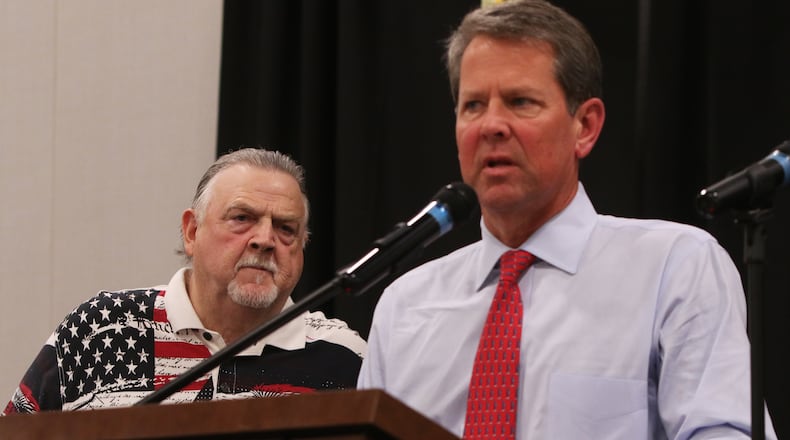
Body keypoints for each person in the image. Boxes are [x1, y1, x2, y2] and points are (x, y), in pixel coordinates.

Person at [357, 1, 776, 439]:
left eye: (520, 102)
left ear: (586, 127)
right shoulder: (404, 306)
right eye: (474, 105)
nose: (492, 125)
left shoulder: (674, 267)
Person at [4, 148, 366, 413]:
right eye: (242, 218)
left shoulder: (343, 358)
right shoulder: (102, 327)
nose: (265, 240)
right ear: (192, 232)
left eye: (286, 228)